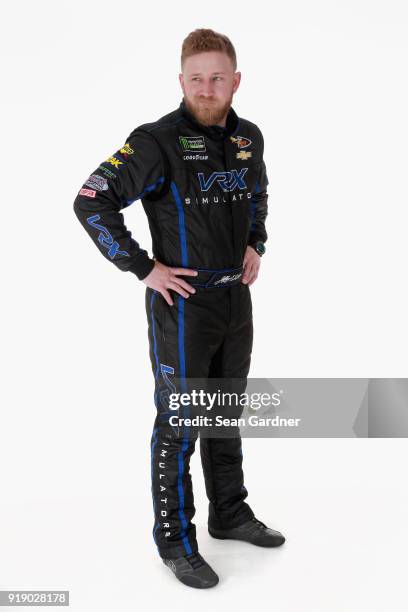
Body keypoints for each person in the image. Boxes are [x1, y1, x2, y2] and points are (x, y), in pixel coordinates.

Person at [73, 28, 285, 589]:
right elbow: (91, 200)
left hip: (235, 298)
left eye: (218, 78)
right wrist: (143, 268)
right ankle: (175, 542)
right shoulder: (156, 141)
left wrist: (254, 244)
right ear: (182, 81)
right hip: (183, 305)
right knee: (180, 422)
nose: (207, 88)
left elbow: (258, 191)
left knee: (225, 414)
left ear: (235, 80)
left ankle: (231, 513)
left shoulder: (249, 139)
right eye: (197, 79)